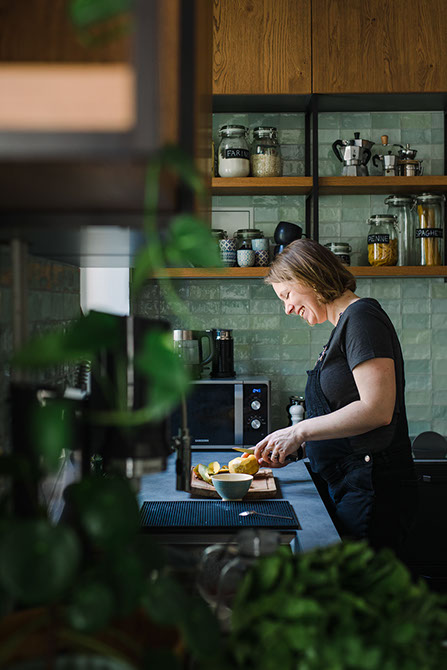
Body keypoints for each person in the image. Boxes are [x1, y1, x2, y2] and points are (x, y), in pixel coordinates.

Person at [253, 238, 418, 559]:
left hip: (373, 489)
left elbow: (377, 409)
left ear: (309, 278)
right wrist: (296, 447)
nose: (287, 308)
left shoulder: (363, 319)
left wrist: (300, 431)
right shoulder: (344, 326)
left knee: (361, 599)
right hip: (351, 485)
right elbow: (344, 411)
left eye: (286, 295)